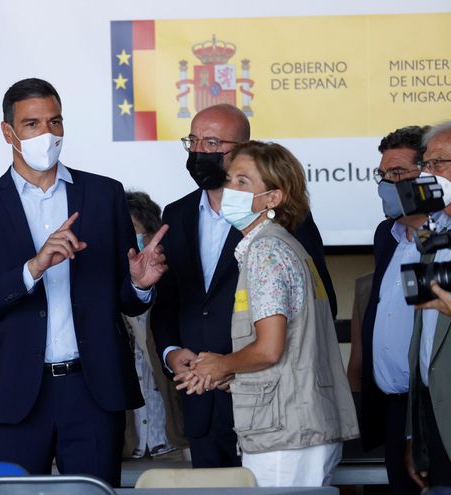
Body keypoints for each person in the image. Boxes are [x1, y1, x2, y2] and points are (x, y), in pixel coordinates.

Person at [0, 78, 168, 486]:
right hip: (15, 390)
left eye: (55, 122)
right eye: (32, 124)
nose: (46, 134)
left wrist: (140, 284)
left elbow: (128, 300)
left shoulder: (104, 195)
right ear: (8, 132)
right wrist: (33, 267)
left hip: (93, 387)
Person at [151, 103, 336, 468]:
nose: (199, 151)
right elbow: (169, 301)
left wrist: (233, 365)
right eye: (193, 141)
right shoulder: (176, 213)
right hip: (200, 395)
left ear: (242, 150)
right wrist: (172, 353)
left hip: (269, 396)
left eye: (212, 142)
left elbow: (318, 305)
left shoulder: (284, 226)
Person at [176, 141, 358, 486]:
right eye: (230, 179)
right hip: (300, 424)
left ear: (273, 198)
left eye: (243, 182)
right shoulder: (285, 245)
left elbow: (269, 349)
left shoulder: (266, 251)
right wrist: (229, 374)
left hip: (286, 434)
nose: (229, 189)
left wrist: (221, 365)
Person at [358, 125, 430, 495]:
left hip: (435, 405)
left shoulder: (443, 238)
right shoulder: (385, 236)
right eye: (382, 174)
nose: (387, 184)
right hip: (393, 408)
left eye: (398, 173)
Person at [406, 120, 451, 489]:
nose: (428, 174)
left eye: (438, 164)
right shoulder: (433, 234)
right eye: (426, 165)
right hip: (434, 418)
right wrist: (414, 437)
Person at [123, 191, 182, 458]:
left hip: (174, 450)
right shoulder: (101, 299)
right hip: (124, 452)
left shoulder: (175, 293)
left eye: (133, 232)